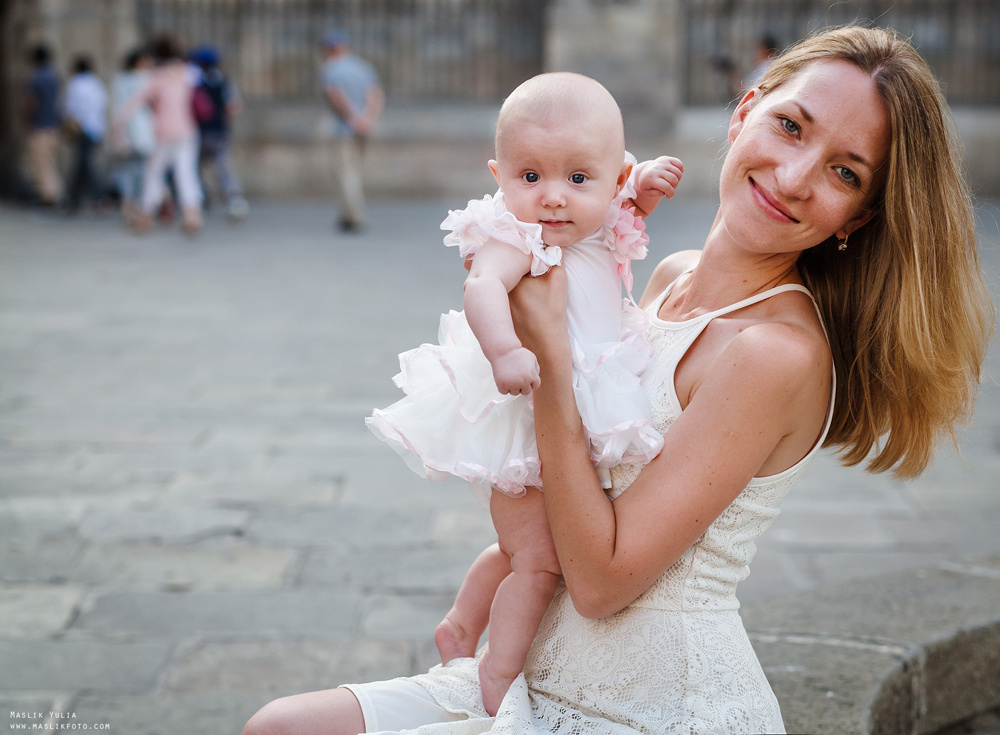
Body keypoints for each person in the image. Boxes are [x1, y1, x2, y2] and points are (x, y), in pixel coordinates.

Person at [244, 25, 994, 735]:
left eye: (843, 172)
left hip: (653, 704)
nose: (793, 176)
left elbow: (601, 582)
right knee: (276, 725)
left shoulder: (775, 352)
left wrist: (547, 356)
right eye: (791, 126)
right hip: (536, 662)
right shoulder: (672, 277)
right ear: (745, 112)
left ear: (855, 219)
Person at [366, 72, 683, 715]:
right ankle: (498, 675)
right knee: (540, 561)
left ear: (612, 177)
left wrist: (642, 192)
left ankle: (460, 621)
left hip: (573, 410)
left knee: (528, 543)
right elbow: (481, 288)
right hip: (521, 410)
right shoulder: (517, 237)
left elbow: (617, 222)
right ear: (498, 174)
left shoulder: (591, 221)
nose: (554, 200)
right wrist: (506, 349)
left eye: (578, 179)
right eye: (530, 177)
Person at [114, 34, 204, 235]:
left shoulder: (157, 78)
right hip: (187, 131)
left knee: (154, 174)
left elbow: (133, 104)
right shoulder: (189, 74)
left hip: (163, 133)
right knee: (186, 173)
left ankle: (146, 214)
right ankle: (192, 214)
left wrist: (117, 125)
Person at [320, 30, 384, 233]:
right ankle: (351, 212)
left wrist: (353, 118)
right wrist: (369, 119)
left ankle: (352, 215)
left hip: (345, 128)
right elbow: (375, 94)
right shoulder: (362, 67)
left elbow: (335, 95)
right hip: (364, 127)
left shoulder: (331, 69)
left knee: (346, 173)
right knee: (356, 170)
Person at [189, 44, 249, 221]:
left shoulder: (193, 82)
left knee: (194, 169)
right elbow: (234, 107)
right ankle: (235, 201)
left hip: (199, 133)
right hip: (220, 132)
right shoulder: (224, 81)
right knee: (224, 169)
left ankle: (200, 198)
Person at [110, 48, 155, 225]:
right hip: (142, 130)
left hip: (128, 129)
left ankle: (129, 205)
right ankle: (137, 205)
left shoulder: (120, 80)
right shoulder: (147, 79)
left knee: (130, 171)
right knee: (141, 171)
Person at [62, 55, 109, 214]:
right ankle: (75, 199)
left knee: (85, 165)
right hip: (96, 128)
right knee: (83, 164)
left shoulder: (75, 84)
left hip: (82, 128)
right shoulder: (97, 83)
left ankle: (95, 197)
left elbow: (71, 109)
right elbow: (103, 104)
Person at [23, 43, 62, 206]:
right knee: (49, 162)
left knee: (40, 164)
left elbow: (32, 102)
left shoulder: (36, 78)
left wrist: (26, 117)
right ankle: (54, 194)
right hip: (53, 126)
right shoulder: (55, 76)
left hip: (40, 126)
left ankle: (50, 196)